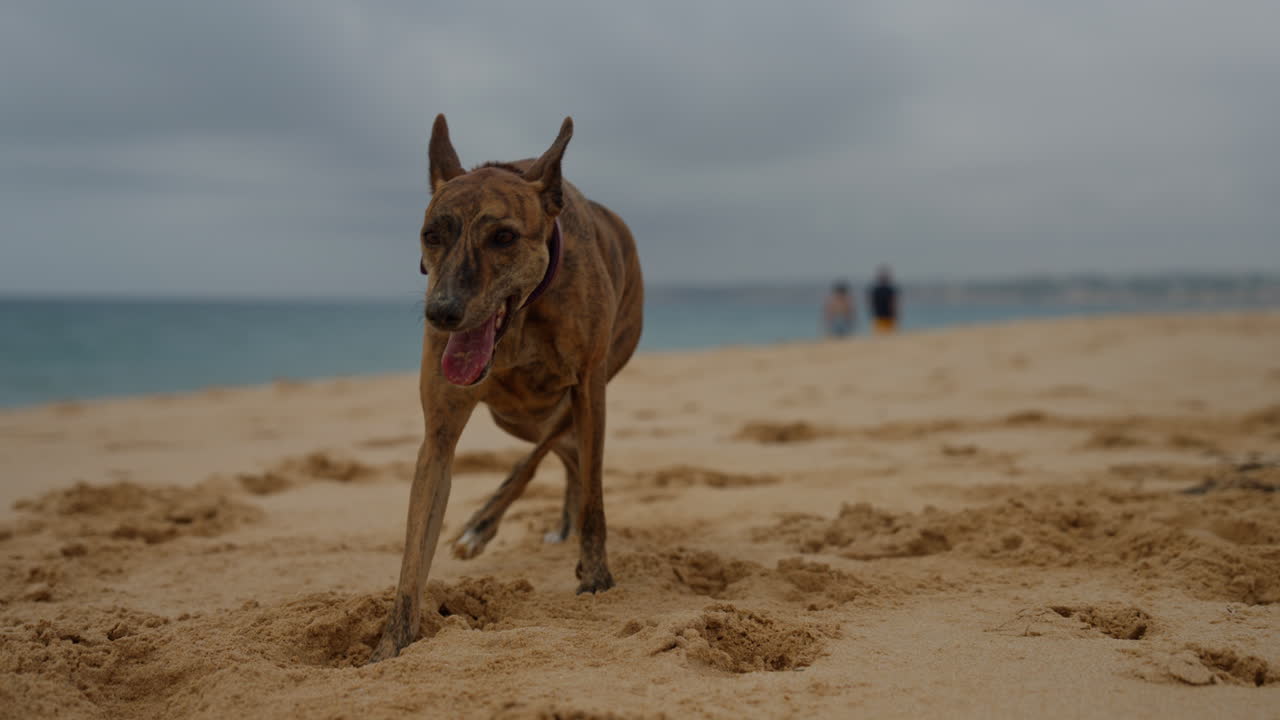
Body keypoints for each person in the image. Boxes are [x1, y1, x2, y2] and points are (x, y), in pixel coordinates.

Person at [869, 266, 899, 334]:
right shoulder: (888, 290)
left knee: (882, 337)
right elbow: (893, 303)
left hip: (883, 317)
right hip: (883, 317)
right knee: (887, 337)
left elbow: (871, 304)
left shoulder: (876, 290)